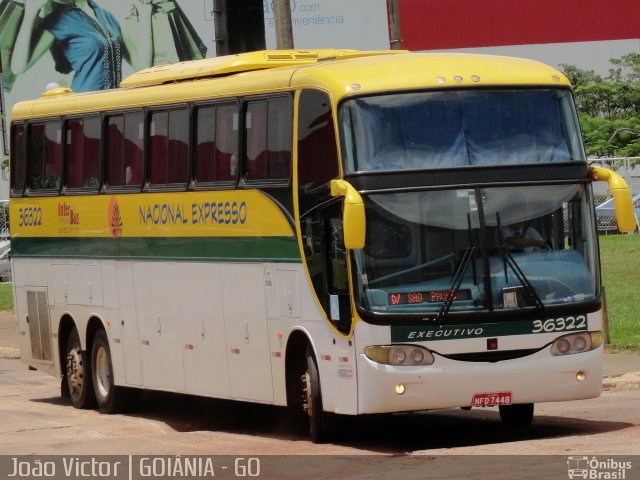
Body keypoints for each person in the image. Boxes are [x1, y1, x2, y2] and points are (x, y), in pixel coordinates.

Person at [11, 0, 153, 92]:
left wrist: (145, 12)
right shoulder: (61, 19)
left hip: (114, 107)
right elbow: (18, 67)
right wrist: (30, 12)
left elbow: (142, 65)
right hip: (84, 109)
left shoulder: (106, 16)